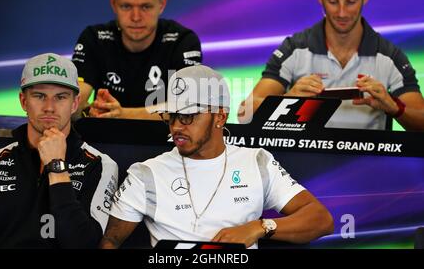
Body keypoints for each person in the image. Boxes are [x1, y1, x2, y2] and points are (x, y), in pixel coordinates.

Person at [99, 65, 333, 249]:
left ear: (220, 116)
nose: (177, 126)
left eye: (189, 116)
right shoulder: (145, 173)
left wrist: (260, 227)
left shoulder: (256, 161)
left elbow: (321, 219)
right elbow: (110, 242)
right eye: (172, 116)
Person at [239, 0, 424, 131]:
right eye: (333, 1)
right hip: (304, 161)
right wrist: (288, 98)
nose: (342, 12)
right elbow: (244, 113)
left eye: (350, 2)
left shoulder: (390, 56)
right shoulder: (293, 49)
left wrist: (394, 107)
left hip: (370, 163)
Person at [0, 53, 119, 248]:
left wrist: (56, 167)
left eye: (60, 97)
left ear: (75, 103)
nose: (49, 107)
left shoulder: (100, 165)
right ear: (23, 101)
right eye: (39, 96)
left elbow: (84, 244)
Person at [72, 0, 202, 120]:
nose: (135, 17)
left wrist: (122, 114)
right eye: (126, 6)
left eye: (145, 7)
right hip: (106, 142)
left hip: (169, 143)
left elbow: (187, 106)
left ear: (162, 5)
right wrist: (81, 108)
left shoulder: (183, 41)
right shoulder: (94, 38)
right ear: (113, 4)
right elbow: (76, 96)